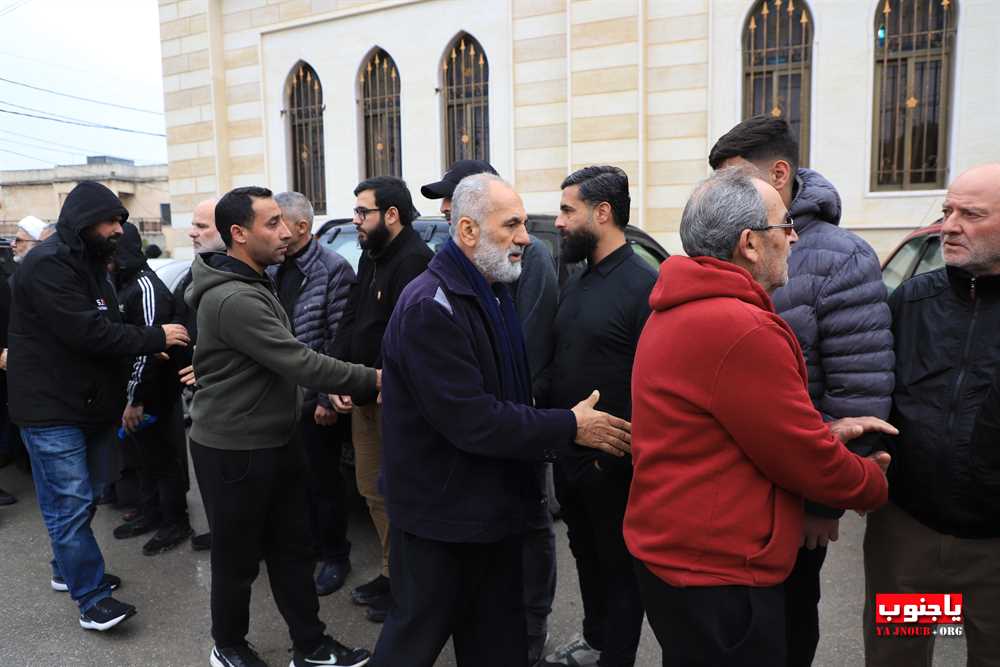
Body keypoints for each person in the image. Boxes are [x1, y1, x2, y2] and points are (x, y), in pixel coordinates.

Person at [624, 169, 893, 666]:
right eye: (784, 223)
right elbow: (801, 458)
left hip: (681, 561)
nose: (794, 235)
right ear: (749, 243)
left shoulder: (679, 307)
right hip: (720, 574)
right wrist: (871, 482)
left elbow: (725, 429)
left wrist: (823, 431)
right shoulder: (740, 327)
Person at [371, 172, 632, 667]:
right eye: (511, 224)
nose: (526, 237)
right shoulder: (431, 305)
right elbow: (474, 420)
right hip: (440, 526)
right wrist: (569, 427)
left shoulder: (493, 290)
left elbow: (513, 395)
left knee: (498, 645)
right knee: (410, 646)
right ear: (467, 231)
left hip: (490, 516)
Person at [709, 116, 895, 667]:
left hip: (798, 491)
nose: (726, 196)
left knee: (786, 628)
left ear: (781, 174)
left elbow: (858, 387)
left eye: (737, 181)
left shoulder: (842, 257)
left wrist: (824, 503)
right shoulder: (732, 242)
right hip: (735, 492)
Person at [187, 186, 375, 667]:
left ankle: (310, 646)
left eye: (284, 221)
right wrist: (376, 379)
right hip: (234, 450)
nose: (285, 231)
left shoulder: (256, 280)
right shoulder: (234, 297)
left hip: (276, 439)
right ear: (239, 234)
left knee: (292, 550)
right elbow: (300, 361)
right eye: (271, 223)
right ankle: (227, 646)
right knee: (237, 560)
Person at [7, 181, 190, 631]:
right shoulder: (48, 265)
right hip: (51, 409)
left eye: (120, 222)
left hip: (84, 404)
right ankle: (91, 599)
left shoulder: (91, 265)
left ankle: (67, 568)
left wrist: (143, 349)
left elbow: (108, 326)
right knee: (69, 502)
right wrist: (154, 337)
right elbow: (86, 332)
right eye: (109, 221)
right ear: (85, 221)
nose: (116, 230)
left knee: (77, 498)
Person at [422, 159, 560, 662]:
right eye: (513, 225)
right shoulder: (441, 294)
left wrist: (540, 425)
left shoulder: (511, 268)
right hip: (484, 462)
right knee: (429, 622)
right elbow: (471, 409)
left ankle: (531, 636)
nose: (523, 236)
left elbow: (526, 352)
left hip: (519, 439)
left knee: (529, 549)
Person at [862, 163, 1000, 667]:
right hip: (912, 538)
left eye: (971, 214)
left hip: (993, 551)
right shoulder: (912, 302)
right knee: (899, 656)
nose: (950, 225)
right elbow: (870, 394)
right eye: (947, 211)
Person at [538, 166, 656, 667]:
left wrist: (611, 460)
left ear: (602, 213)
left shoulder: (644, 286)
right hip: (571, 458)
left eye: (568, 210)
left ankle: (616, 658)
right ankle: (595, 640)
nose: (559, 222)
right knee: (586, 557)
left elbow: (650, 388)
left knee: (620, 570)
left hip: (614, 468)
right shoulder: (579, 278)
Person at [330, 176, 433, 623]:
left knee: (400, 494)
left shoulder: (415, 261)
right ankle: (393, 574)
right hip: (364, 393)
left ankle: (412, 588)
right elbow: (352, 320)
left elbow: (408, 340)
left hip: (397, 402)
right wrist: (337, 374)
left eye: (362, 212)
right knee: (371, 489)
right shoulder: (372, 256)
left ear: (391, 215)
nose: (355, 221)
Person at [267, 191, 356, 596]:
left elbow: (338, 338)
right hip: (280, 397)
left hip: (315, 397)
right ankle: (306, 549)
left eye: (277, 222)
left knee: (323, 482)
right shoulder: (272, 266)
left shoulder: (333, 269)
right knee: (291, 483)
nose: (274, 231)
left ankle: (335, 556)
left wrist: (325, 397)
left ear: (301, 227)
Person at [111, 222, 192, 555]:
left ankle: (175, 522)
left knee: (164, 458)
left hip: (154, 393)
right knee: (144, 457)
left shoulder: (144, 287)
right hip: (136, 392)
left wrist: (136, 399)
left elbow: (149, 349)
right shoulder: (122, 283)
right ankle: (151, 512)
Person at [175, 197, 222, 551]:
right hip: (202, 401)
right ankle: (224, 533)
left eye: (202, 226)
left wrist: (209, 365)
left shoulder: (253, 277)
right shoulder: (198, 269)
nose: (192, 232)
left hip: (232, 407)